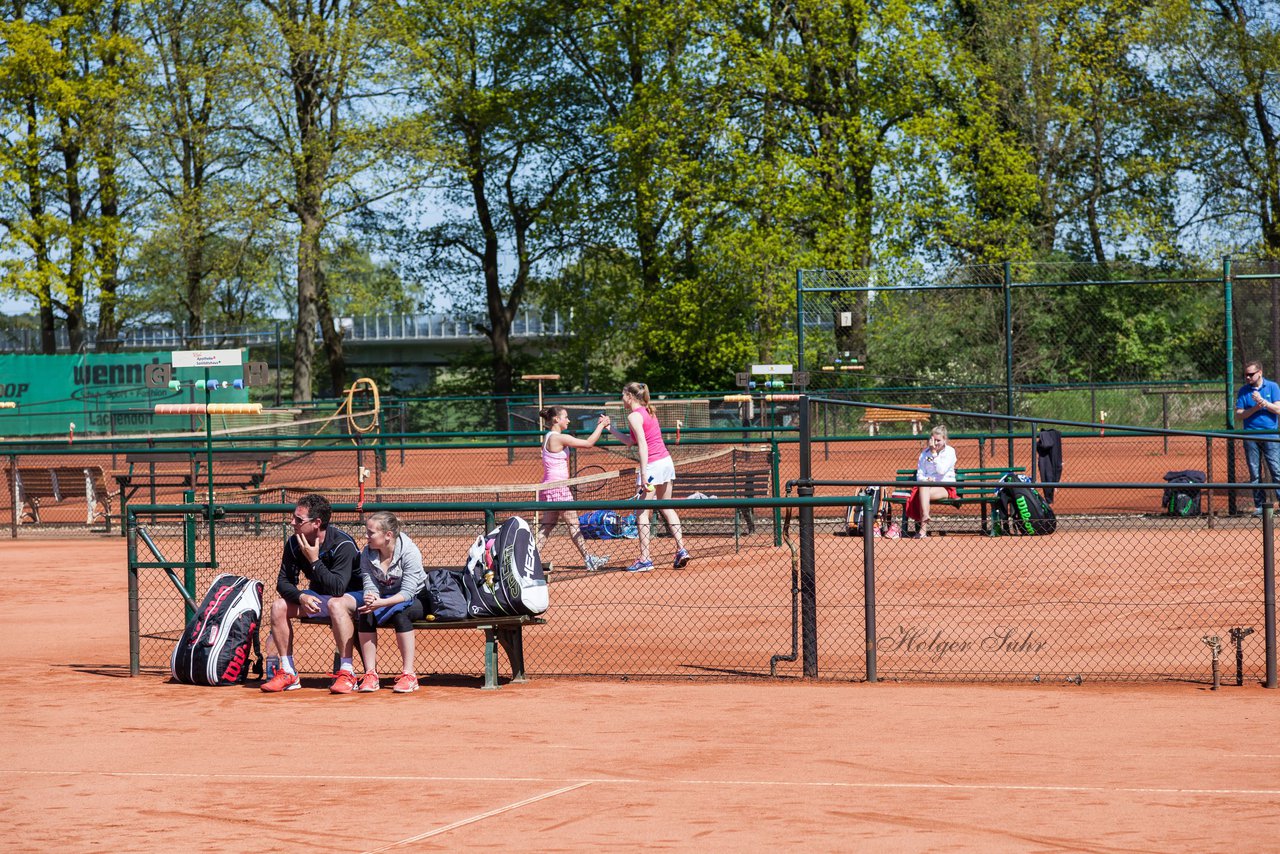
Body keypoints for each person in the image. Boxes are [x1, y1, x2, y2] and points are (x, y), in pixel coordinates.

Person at [261, 493, 364, 694]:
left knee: (336, 603)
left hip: (354, 596)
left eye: (299, 520)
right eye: (293, 517)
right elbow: (283, 583)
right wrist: (301, 597)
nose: (293, 523)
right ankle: (288, 672)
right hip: (320, 597)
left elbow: (338, 589)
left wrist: (315, 560)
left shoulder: (342, 544)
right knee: (279, 606)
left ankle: (346, 672)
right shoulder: (294, 542)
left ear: (317, 523)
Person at [607, 381, 690, 572]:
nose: (621, 398)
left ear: (629, 396)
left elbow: (642, 445)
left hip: (652, 466)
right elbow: (631, 441)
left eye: (622, 394)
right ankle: (681, 549)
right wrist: (610, 428)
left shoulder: (634, 416)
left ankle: (645, 559)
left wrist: (644, 474)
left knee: (641, 512)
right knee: (667, 506)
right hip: (665, 462)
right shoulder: (648, 411)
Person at [339, 511, 426, 693]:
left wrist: (381, 603)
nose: (366, 536)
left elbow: (408, 592)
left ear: (388, 535)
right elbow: (369, 583)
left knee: (400, 615)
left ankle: (409, 675)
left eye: (371, 532)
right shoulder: (367, 553)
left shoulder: (409, 551)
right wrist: (371, 598)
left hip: (415, 598)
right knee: (365, 612)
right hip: (385, 598)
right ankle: (371, 674)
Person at [537, 406, 611, 572]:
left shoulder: (548, 436)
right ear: (556, 419)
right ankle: (588, 559)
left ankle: (528, 559)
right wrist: (601, 425)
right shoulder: (558, 438)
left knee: (547, 526)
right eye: (566, 417)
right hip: (558, 488)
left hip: (550, 487)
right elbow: (589, 443)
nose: (568, 420)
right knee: (573, 524)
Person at [1235, 359, 1280, 516]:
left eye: (1251, 374)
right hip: (1250, 435)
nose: (1247, 377)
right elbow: (1239, 415)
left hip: (1270, 435)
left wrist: (1264, 403)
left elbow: (1278, 409)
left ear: (1259, 373)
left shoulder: (1273, 387)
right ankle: (1260, 506)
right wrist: (1255, 407)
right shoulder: (1243, 391)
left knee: (1276, 470)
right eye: (1246, 375)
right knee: (1255, 473)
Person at [907, 425, 957, 538]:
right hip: (927, 487)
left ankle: (922, 529)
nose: (935, 443)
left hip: (945, 487)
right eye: (933, 440)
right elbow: (920, 474)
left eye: (938, 440)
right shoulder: (924, 453)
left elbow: (941, 470)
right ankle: (925, 517)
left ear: (945, 440)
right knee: (923, 486)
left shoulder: (950, 452)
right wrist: (925, 479)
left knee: (922, 492)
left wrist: (934, 453)